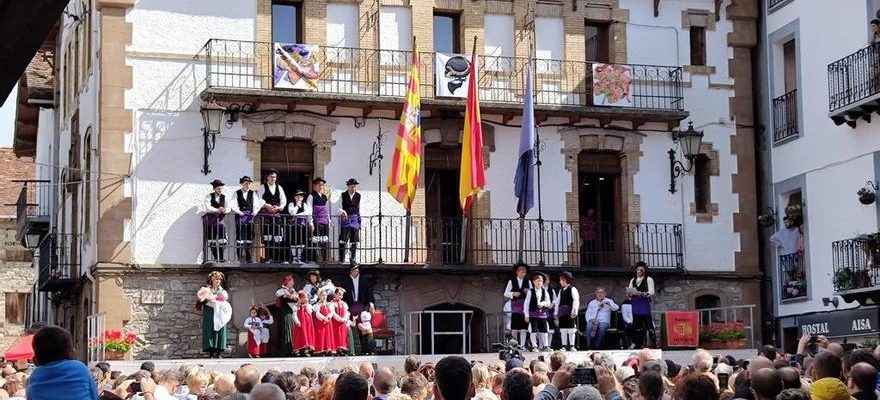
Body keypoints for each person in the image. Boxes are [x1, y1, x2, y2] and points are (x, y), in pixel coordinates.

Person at [26, 326, 99, 400]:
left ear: (36, 358)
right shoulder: (80, 368)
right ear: (71, 352)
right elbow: (94, 396)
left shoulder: (35, 376)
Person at [341, 264, 375, 355]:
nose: (355, 271)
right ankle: (353, 349)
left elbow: (369, 293)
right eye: (353, 270)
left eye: (357, 270)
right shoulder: (345, 281)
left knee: (363, 327)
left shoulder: (364, 280)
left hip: (361, 305)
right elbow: (342, 296)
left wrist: (371, 303)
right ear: (350, 271)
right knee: (351, 328)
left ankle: (365, 349)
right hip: (350, 306)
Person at [196, 271, 231, 358]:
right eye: (216, 279)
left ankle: (219, 352)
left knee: (220, 330)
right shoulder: (207, 289)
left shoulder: (222, 291)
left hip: (220, 312)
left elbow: (223, 299)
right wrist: (207, 298)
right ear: (212, 279)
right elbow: (201, 300)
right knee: (210, 329)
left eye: (219, 279)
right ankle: (211, 352)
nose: (218, 281)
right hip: (210, 311)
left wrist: (215, 298)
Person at [230, 175, 260, 263]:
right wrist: (238, 211)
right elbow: (233, 204)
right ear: (242, 184)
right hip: (240, 216)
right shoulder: (237, 193)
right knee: (240, 237)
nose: (248, 185)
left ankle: (248, 257)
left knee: (249, 237)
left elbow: (256, 204)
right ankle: (239, 257)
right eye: (246, 183)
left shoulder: (252, 193)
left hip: (249, 217)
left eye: (249, 183)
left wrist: (255, 211)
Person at [260, 169, 287, 263]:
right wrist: (266, 205)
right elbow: (259, 199)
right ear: (267, 177)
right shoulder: (262, 187)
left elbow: (283, 200)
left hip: (276, 214)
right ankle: (268, 257)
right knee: (268, 237)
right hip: (266, 215)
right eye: (271, 177)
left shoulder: (279, 188)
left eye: (275, 177)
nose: (273, 179)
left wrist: (279, 207)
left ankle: (277, 257)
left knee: (278, 237)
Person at [627, 261, 655, 348]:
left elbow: (652, 292)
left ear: (644, 271)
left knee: (648, 323)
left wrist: (643, 293)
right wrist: (629, 294)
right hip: (636, 303)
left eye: (641, 270)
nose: (639, 271)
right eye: (638, 270)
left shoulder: (648, 279)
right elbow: (630, 290)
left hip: (644, 303)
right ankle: (638, 343)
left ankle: (653, 343)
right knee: (636, 325)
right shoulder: (633, 280)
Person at [504, 263, 532, 348]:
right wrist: (513, 293)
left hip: (524, 305)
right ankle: (515, 345)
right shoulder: (511, 281)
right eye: (521, 271)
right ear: (517, 272)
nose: (523, 273)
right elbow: (505, 293)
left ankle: (523, 345)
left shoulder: (528, 281)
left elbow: (532, 293)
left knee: (524, 327)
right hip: (515, 305)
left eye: (525, 272)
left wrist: (528, 292)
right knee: (515, 326)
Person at [524, 272, 554, 352]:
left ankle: (546, 346)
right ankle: (534, 346)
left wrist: (543, 303)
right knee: (533, 330)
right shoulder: (531, 292)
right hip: (533, 313)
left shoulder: (545, 291)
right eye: (537, 280)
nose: (539, 282)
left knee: (544, 330)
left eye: (541, 281)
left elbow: (548, 302)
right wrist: (526, 315)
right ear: (533, 282)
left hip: (542, 314)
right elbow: (526, 304)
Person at [202, 179, 228, 262]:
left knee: (222, 240)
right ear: (214, 188)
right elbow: (207, 207)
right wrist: (217, 209)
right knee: (211, 240)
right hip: (210, 222)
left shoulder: (224, 197)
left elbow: (228, 207)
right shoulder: (209, 196)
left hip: (220, 222)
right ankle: (216, 257)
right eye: (218, 188)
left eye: (221, 188)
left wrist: (225, 210)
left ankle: (221, 257)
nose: (220, 190)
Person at [306, 177, 330, 263]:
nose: (321, 187)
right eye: (319, 185)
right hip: (316, 221)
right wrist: (310, 222)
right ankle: (314, 259)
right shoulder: (311, 196)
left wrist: (329, 220)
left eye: (322, 185)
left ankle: (323, 259)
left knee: (324, 241)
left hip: (324, 221)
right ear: (314, 186)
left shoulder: (324, 196)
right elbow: (309, 209)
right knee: (315, 241)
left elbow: (326, 209)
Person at [554, 272, 580, 351]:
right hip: (562, 313)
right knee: (563, 329)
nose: (560, 282)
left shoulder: (572, 289)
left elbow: (576, 300)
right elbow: (557, 302)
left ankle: (572, 345)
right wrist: (556, 312)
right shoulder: (561, 290)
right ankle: (564, 346)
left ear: (565, 280)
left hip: (569, 312)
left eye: (561, 280)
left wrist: (574, 311)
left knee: (571, 329)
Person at [339, 178, 362, 265]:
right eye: (352, 186)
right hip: (346, 218)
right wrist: (343, 212)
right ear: (348, 186)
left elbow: (359, 208)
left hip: (355, 218)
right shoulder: (343, 195)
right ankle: (342, 259)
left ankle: (352, 258)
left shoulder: (358, 195)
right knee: (343, 239)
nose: (353, 188)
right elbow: (339, 207)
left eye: (354, 187)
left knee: (354, 239)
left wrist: (359, 221)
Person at [286, 190, 312, 263]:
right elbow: (292, 212)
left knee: (301, 241)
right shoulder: (291, 204)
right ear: (294, 197)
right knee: (294, 241)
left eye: (300, 196)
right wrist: (297, 206)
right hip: (293, 225)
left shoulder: (305, 205)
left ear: (302, 198)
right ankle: (294, 258)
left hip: (302, 225)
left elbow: (307, 212)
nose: (299, 198)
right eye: (297, 196)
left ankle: (299, 258)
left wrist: (297, 215)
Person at [275, 275, 298, 356]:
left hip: (292, 312)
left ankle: (293, 348)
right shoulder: (281, 291)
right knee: (286, 329)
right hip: (285, 312)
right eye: (292, 281)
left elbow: (296, 299)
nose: (293, 283)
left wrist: (293, 297)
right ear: (287, 282)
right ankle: (286, 349)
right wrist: (292, 298)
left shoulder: (293, 291)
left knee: (292, 329)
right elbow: (286, 299)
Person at [291, 291, 316, 356]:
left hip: (307, 323)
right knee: (299, 335)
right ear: (300, 298)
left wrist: (306, 304)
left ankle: (306, 349)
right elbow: (294, 315)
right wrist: (297, 321)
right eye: (305, 298)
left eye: (307, 298)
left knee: (307, 335)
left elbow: (310, 312)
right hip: (300, 323)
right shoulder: (296, 306)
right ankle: (298, 350)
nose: (306, 299)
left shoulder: (308, 306)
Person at [313, 289, 336, 356]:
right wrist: (324, 318)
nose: (325, 297)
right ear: (319, 296)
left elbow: (332, 312)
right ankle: (321, 349)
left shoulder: (329, 304)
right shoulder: (318, 305)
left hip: (328, 322)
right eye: (323, 295)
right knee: (321, 335)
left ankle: (328, 349)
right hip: (321, 322)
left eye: (325, 295)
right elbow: (317, 314)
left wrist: (328, 317)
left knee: (328, 334)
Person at [331, 288, 351, 355]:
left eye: (341, 295)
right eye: (339, 294)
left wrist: (344, 318)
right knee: (336, 334)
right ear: (335, 294)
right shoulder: (332, 303)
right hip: (335, 322)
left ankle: (342, 348)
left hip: (342, 322)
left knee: (343, 334)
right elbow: (333, 313)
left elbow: (346, 312)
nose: (340, 296)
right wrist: (339, 319)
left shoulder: (344, 304)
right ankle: (336, 348)